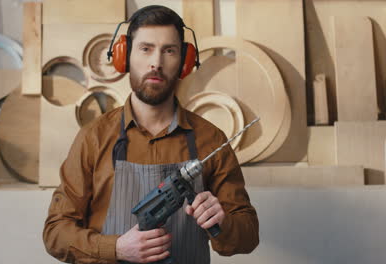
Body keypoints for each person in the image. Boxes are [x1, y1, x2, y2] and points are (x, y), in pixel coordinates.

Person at [43, 5, 259, 264]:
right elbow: (55, 232)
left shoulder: (210, 139)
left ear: (184, 63)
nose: (156, 62)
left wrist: (223, 221)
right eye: (145, 49)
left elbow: (249, 236)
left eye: (169, 51)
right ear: (125, 57)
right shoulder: (94, 139)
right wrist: (116, 248)